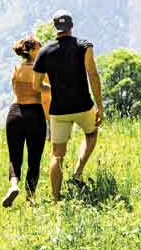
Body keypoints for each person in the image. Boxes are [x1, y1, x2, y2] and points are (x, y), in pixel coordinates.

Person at [32, 11, 104, 201]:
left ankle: (56, 199)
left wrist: (53, 89)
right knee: (91, 132)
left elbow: (36, 85)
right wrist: (100, 107)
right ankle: (78, 171)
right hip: (83, 106)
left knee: (57, 155)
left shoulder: (44, 51)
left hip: (59, 111)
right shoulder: (84, 46)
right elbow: (93, 76)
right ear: (71, 26)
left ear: (55, 28)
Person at [3, 35, 50, 206]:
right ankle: (30, 198)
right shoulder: (41, 71)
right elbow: (45, 97)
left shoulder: (16, 68)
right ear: (31, 50)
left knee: (15, 156)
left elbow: (16, 90)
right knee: (34, 159)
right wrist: (48, 120)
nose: (42, 46)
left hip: (14, 114)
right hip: (35, 113)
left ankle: (14, 186)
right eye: (39, 45)